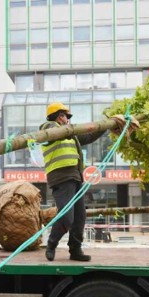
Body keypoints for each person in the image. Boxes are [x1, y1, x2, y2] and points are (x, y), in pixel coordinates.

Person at [41, 102, 128, 262]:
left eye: (66, 116)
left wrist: (106, 125)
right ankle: (52, 243)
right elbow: (55, 132)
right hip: (60, 178)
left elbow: (88, 136)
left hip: (75, 177)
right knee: (67, 217)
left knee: (80, 217)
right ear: (55, 116)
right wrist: (67, 127)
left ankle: (75, 249)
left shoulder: (71, 133)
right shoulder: (47, 127)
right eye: (63, 116)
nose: (66, 119)